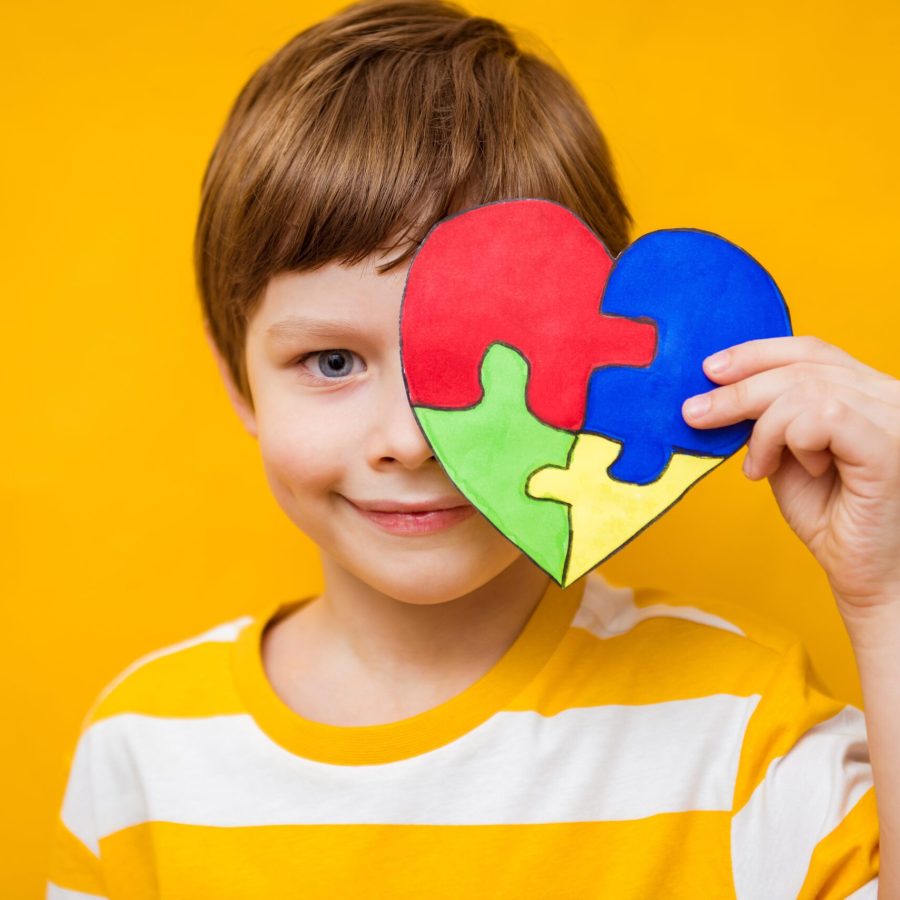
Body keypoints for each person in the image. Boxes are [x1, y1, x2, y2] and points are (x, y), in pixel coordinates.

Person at [47, 1, 898, 897]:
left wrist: (884, 598)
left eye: (469, 359)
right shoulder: (142, 753)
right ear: (238, 381)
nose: (413, 439)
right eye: (331, 361)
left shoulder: (738, 727)